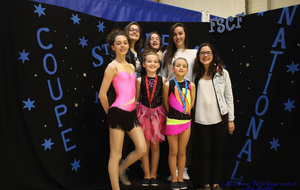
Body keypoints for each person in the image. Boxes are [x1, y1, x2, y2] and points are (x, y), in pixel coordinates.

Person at [98, 29, 147, 190]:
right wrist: (110, 114)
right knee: (115, 155)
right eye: (118, 43)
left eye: (125, 43)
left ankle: (120, 169)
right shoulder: (112, 67)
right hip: (118, 113)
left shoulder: (132, 67)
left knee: (141, 148)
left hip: (131, 114)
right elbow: (102, 95)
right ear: (112, 47)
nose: (122, 45)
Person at [192, 43, 235, 190]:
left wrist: (231, 119)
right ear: (198, 56)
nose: (205, 56)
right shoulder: (194, 74)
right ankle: (205, 183)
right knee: (204, 153)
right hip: (200, 119)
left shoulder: (223, 73)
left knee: (217, 152)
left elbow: (229, 97)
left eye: (208, 53)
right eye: (202, 53)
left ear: (213, 55)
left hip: (219, 120)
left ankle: (216, 183)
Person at [160, 22, 197, 181]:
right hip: (172, 95)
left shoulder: (194, 53)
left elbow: (199, 72)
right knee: (172, 138)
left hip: (187, 96)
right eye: (174, 34)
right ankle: (172, 171)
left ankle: (184, 169)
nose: (178, 37)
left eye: (180, 33)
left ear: (185, 35)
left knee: (186, 135)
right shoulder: (167, 53)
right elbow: (163, 76)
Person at [163, 58, 195, 190]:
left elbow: (192, 102)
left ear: (187, 70)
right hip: (172, 121)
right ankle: (174, 178)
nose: (181, 68)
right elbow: (166, 103)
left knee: (182, 151)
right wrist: (173, 114)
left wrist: (185, 113)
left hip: (186, 121)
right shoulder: (168, 85)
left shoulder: (191, 85)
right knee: (173, 151)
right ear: (173, 68)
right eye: (178, 66)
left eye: (184, 66)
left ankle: (181, 177)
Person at [136, 52, 166, 187]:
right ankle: (146, 174)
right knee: (145, 146)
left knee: (155, 146)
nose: (152, 64)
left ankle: (154, 174)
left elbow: (164, 101)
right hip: (142, 114)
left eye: (155, 62)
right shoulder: (139, 80)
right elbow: (137, 99)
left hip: (157, 115)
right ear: (143, 64)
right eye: (149, 61)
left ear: (159, 65)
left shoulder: (163, 80)